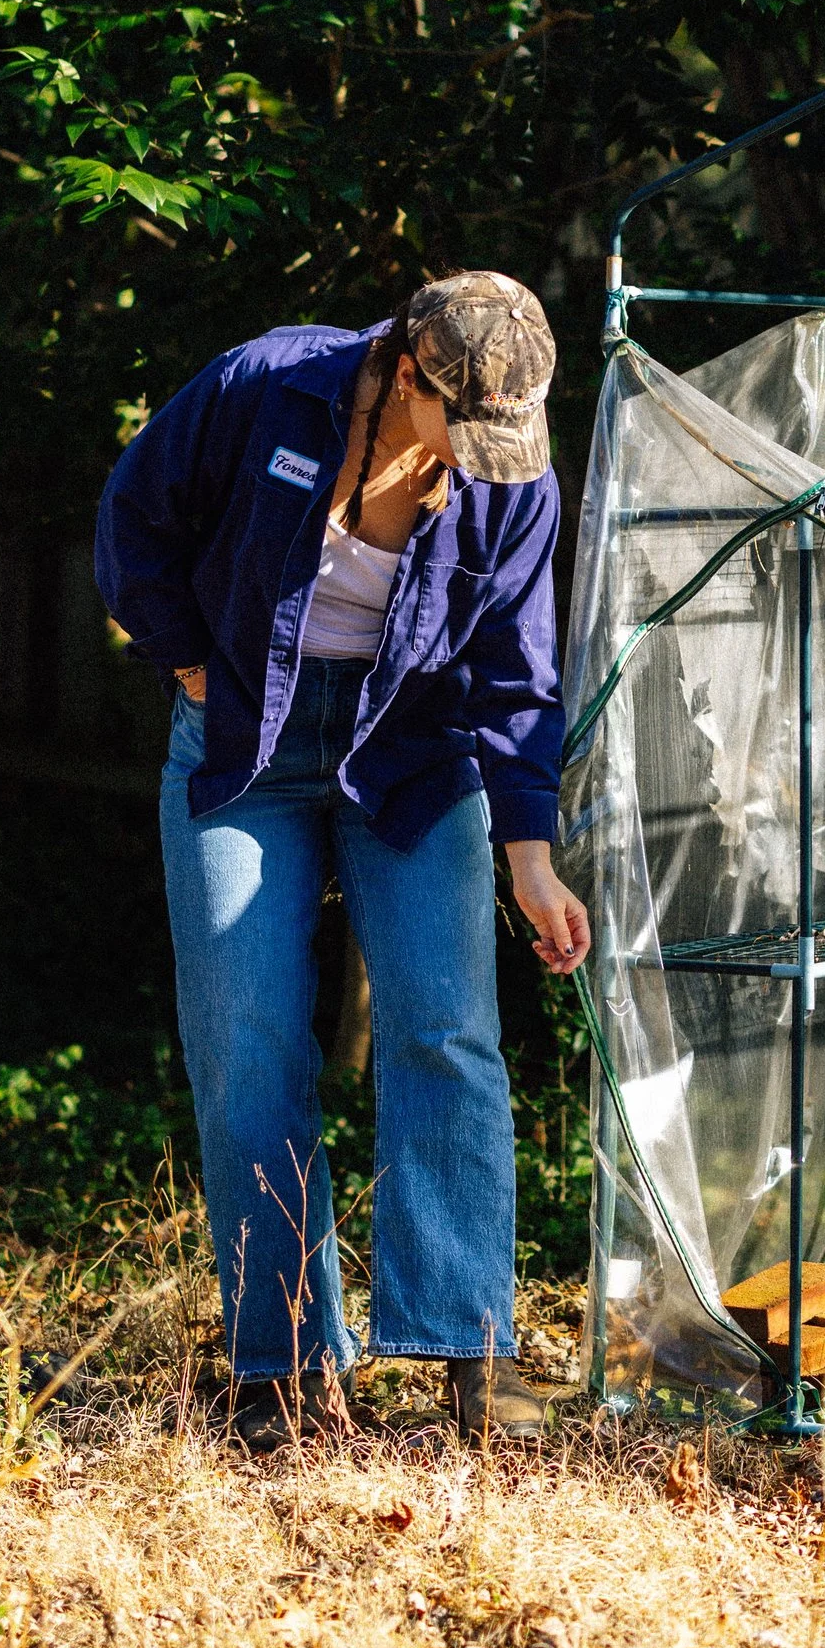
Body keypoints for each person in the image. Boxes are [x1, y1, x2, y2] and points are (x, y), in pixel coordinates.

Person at [94, 272, 590, 1454]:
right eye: (464, 428)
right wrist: (185, 661)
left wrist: (532, 857)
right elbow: (132, 517)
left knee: (446, 1029)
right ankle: (286, 1368)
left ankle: (471, 1349)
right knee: (247, 1040)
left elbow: (517, 673)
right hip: (242, 751)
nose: (485, 457)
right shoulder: (267, 385)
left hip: (412, 758)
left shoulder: (512, 482)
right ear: (405, 373)